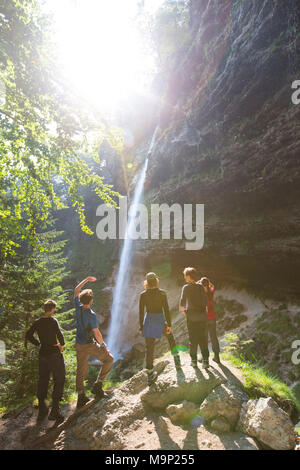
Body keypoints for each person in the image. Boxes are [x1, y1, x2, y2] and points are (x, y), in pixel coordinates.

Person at [74, 276, 114, 409]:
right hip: (89, 345)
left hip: (78, 344)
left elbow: (76, 290)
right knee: (109, 360)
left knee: (81, 369)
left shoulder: (77, 307)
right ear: (91, 301)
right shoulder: (91, 315)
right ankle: (98, 385)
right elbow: (97, 333)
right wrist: (104, 346)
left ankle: (81, 396)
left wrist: (85, 279)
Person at [25, 299, 65, 423]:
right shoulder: (53, 321)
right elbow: (60, 336)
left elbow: (28, 335)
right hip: (54, 354)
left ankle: (42, 406)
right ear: (52, 309)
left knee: (43, 380)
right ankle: (55, 411)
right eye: (54, 309)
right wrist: (61, 345)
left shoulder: (37, 322)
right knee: (59, 379)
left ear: (44, 309)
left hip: (42, 355)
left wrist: (38, 344)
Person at [139, 272, 181, 384]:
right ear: (156, 281)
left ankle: (150, 374)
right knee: (170, 338)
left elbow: (141, 312)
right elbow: (166, 309)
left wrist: (141, 327)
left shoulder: (143, 295)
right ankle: (177, 360)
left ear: (147, 282)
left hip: (149, 320)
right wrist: (169, 325)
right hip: (160, 318)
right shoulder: (162, 293)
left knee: (149, 348)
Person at [179, 267, 209, 368]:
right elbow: (205, 302)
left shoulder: (186, 287)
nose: (184, 278)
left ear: (188, 276)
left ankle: (194, 361)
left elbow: (181, 305)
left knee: (193, 339)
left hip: (191, 317)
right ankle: (206, 361)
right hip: (202, 317)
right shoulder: (201, 287)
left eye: (185, 275)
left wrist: (185, 313)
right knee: (203, 339)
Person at [199, 277, 221, 364]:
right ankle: (217, 357)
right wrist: (208, 283)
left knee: (204, 338)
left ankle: (204, 357)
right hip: (212, 317)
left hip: (203, 319)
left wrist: (199, 282)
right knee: (213, 337)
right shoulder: (211, 291)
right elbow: (213, 286)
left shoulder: (200, 294)